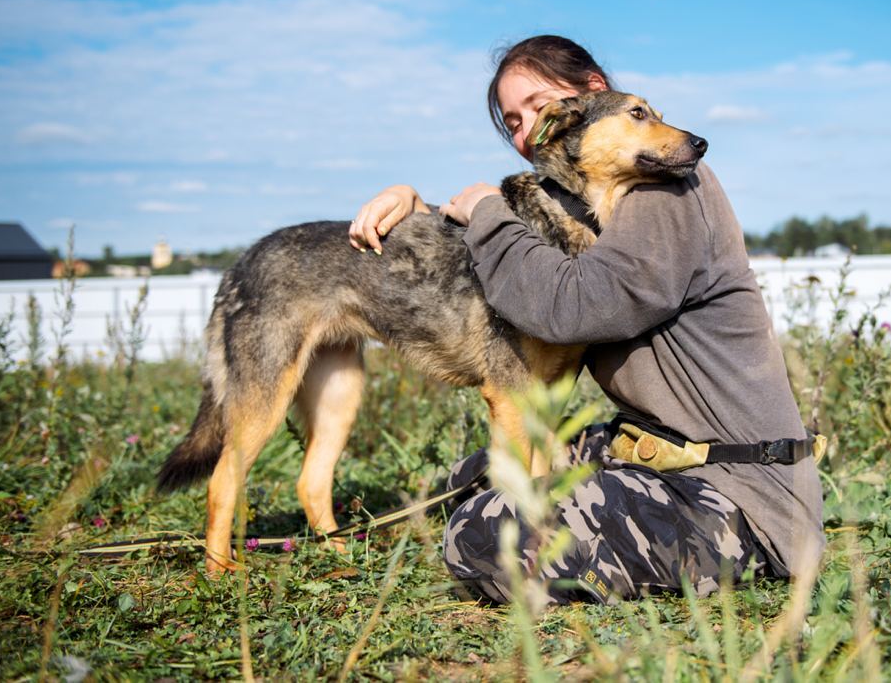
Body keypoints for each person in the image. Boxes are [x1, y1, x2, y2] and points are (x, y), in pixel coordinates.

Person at [349, 35, 824, 604]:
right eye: (513, 120)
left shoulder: (661, 188)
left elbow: (573, 306)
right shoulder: (595, 202)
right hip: (667, 456)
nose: (527, 128)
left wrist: (486, 212)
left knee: (487, 531)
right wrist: (413, 203)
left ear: (593, 93)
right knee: (475, 477)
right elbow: (519, 248)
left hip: (743, 495)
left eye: (538, 102)